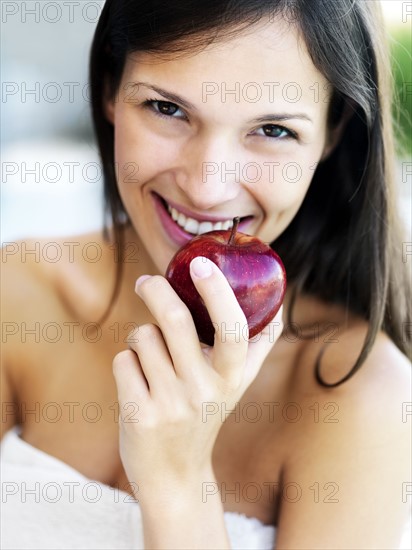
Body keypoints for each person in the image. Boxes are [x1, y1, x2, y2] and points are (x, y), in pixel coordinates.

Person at [1, 0, 411, 548]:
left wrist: (178, 481)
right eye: (167, 109)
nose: (207, 186)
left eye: (272, 128)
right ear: (108, 91)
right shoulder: (20, 293)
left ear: (331, 135)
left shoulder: (362, 397)